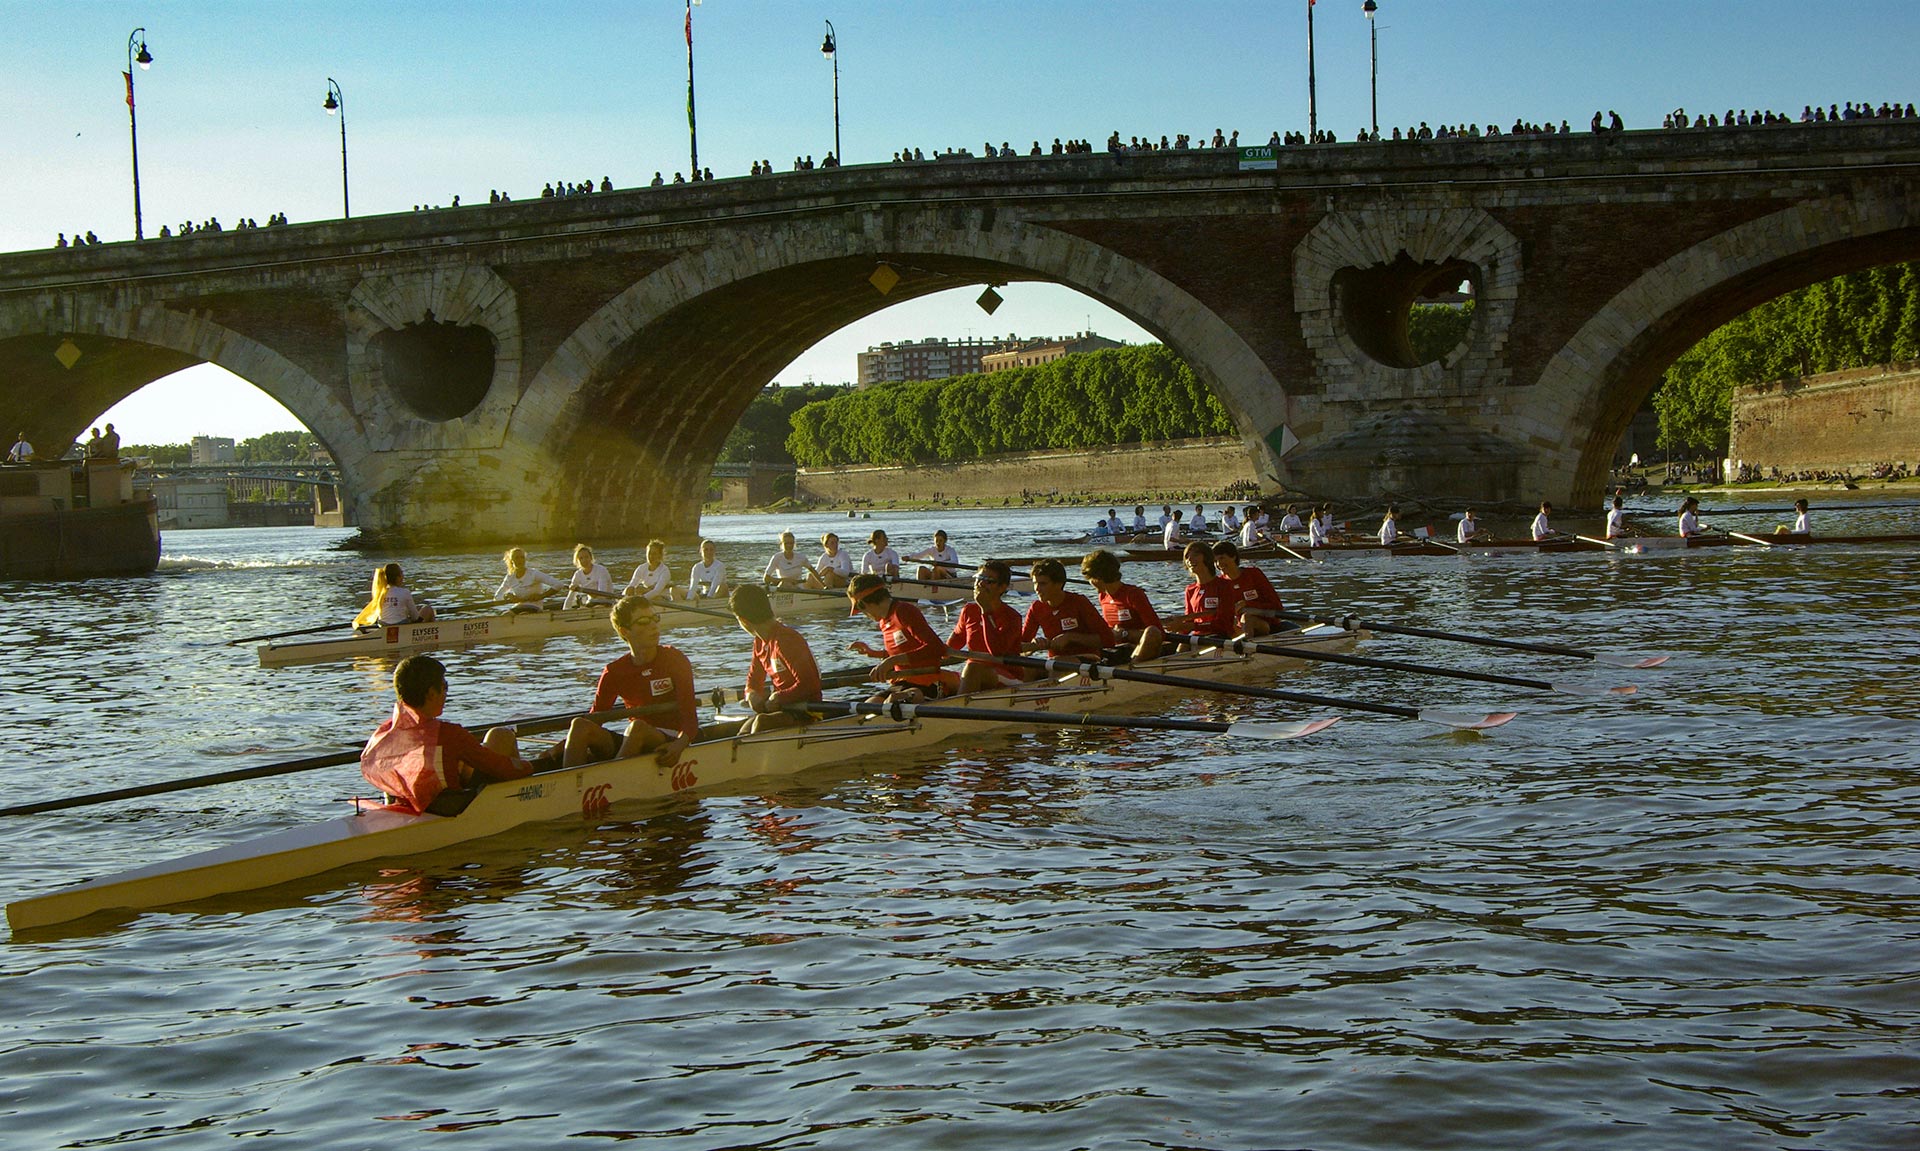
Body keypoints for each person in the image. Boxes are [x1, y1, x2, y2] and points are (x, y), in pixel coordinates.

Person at [360, 654, 532, 816]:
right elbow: (503, 769)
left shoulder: (383, 733)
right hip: (450, 810)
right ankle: (525, 802)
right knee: (502, 736)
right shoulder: (450, 734)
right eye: (444, 687)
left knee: (497, 736)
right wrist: (532, 767)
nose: (446, 694)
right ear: (431, 693)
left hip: (406, 806)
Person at [561, 594, 700, 768]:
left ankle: (612, 781)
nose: (653, 626)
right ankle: (569, 780)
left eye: (654, 618)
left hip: (671, 737)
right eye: (643, 621)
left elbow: (689, 714)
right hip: (633, 737)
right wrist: (560, 747)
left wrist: (679, 745)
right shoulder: (614, 671)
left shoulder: (674, 659)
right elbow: (595, 718)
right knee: (580, 725)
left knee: (637, 728)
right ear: (624, 631)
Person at [729, 584, 823, 734]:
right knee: (745, 730)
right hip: (784, 708)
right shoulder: (759, 642)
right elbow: (753, 681)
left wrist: (779, 697)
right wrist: (751, 694)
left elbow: (811, 685)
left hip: (808, 710)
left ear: (743, 620)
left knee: (761, 722)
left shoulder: (786, 640)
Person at [846, 573, 957, 697]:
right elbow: (905, 650)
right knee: (870, 706)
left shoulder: (904, 611)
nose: (864, 614)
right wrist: (874, 653)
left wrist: (891, 661)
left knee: (895, 701)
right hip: (901, 683)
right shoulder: (883, 621)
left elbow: (936, 648)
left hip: (929, 682)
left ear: (864, 604)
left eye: (861, 610)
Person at [946, 559, 1029, 692]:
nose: (981, 584)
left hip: (1009, 677)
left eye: (989, 581)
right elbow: (950, 649)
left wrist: (985, 610)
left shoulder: (1012, 617)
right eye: (979, 578)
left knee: (973, 667)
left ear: (1002, 588)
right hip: (977, 673)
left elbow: (996, 651)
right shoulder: (968, 611)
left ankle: (959, 709)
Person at [1020, 558, 1116, 657]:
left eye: (1043, 584)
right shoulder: (1036, 608)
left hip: (1088, 658)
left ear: (1059, 584)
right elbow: (1018, 647)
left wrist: (1071, 637)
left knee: (1056, 663)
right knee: (1027, 670)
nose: (1037, 589)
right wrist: (1033, 645)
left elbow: (1108, 640)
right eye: (1035, 583)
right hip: (1056, 661)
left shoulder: (1079, 602)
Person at [1080, 549, 1164, 661]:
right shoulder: (1103, 597)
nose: (1090, 582)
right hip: (1116, 650)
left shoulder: (1133, 594)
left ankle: (1133, 668)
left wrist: (1125, 634)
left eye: (1090, 578)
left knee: (1152, 631)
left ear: (1098, 578)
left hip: (1139, 649)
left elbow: (1159, 633)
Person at [1164, 541, 1239, 638]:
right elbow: (1188, 622)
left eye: (1195, 555)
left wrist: (1189, 626)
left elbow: (1223, 624)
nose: (1190, 559)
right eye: (1187, 557)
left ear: (1207, 558)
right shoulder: (1190, 590)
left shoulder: (1224, 586)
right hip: (1197, 636)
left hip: (1218, 636)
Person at [1213, 540, 1281, 638]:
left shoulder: (1254, 574)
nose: (1219, 564)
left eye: (1222, 558)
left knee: (1247, 617)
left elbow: (1277, 606)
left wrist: (1247, 604)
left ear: (1233, 557)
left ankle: (1247, 649)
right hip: (1240, 627)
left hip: (1267, 623)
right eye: (1215, 561)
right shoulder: (1219, 583)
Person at [355, 562, 436, 627]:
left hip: (382, 625)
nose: (403, 576)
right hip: (401, 626)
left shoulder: (379, 593)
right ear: (397, 578)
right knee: (427, 609)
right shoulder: (405, 592)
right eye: (401, 574)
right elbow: (415, 618)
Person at [496, 547, 567, 611]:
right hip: (518, 607)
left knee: (523, 615)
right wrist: (507, 596)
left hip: (535, 607)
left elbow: (559, 584)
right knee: (505, 616)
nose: (520, 560)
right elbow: (498, 596)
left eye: (522, 557)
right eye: (516, 558)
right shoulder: (510, 577)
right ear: (512, 561)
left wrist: (542, 596)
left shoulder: (534, 574)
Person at [564, 544, 614, 609]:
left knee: (595, 607)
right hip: (591, 602)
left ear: (591, 558)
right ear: (577, 561)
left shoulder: (601, 570)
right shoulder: (578, 574)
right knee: (581, 609)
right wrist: (565, 609)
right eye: (581, 558)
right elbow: (571, 595)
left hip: (606, 601)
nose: (584, 560)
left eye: (586, 557)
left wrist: (586, 592)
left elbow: (602, 594)